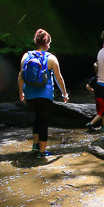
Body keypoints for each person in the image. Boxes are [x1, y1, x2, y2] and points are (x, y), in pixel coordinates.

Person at [18, 28, 69, 157]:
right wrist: (64, 94)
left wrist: (21, 93)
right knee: (43, 122)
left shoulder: (26, 56)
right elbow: (59, 78)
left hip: (30, 94)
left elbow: (20, 76)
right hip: (45, 95)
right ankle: (42, 151)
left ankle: (35, 145)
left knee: (37, 118)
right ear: (47, 43)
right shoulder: (51, 58)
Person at [85, 62, 103, 131]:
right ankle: (91, 123)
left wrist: (93, 91)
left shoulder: (94, 78)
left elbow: (87, 86)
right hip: (102, 98)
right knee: (101, 113)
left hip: (97, 97)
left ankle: (103, 125)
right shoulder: (102, 79)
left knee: (102, 112)